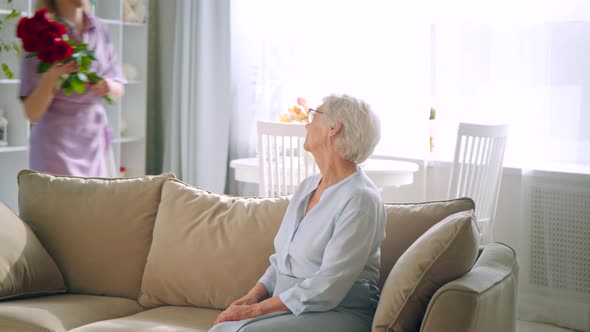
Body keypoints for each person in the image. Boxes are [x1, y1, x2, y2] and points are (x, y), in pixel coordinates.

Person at [211, 94, 387, 332]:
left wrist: (254, 311)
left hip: (338, 311)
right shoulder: (307, 187)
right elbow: (282, 261)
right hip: (293, 308)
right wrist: (251, 297)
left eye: (315, 114)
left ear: (334, 128)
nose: (307, 123)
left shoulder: (361, 199)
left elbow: (330, 284)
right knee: (223, 329)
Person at [20, 0, 126, 177]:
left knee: (95, 203)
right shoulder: (40, 32)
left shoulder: (99, 29)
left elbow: (118, 88)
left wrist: (108, 85)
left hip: (94, 142)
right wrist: (52, 78)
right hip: (55, 146)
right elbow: (32, 113)